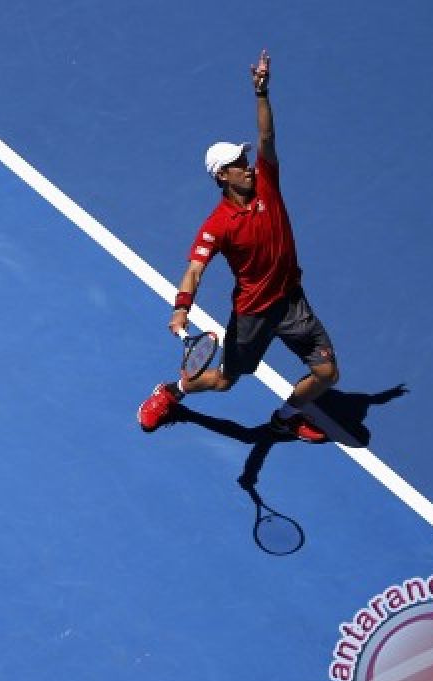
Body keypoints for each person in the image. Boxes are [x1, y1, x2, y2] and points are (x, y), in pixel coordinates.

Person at [137, 50, 339, 443]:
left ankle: (284, 418)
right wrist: (181, 309)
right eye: (238, 163)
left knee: (328, 374)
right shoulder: (217, 225)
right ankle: (171, 392)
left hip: (292, 301)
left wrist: (261, 93)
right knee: (225, 380)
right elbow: (195, 268)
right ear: (222, 176)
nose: (247, 165)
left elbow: (267, 136)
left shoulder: (268, 183)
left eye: (245, 159)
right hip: (253, 315)